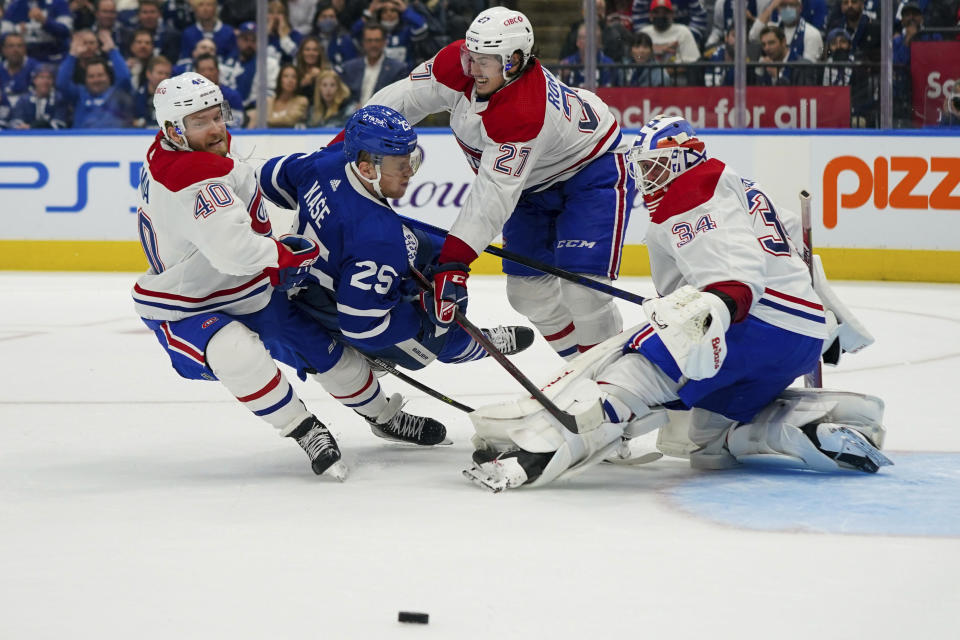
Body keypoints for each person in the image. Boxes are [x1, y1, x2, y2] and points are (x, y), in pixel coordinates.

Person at [463, 114, 889, 492]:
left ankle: (536, 452)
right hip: (802, 334)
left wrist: (716, 305)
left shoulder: (693, 189)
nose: (648, 178)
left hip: (748, 323)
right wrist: (834, 325)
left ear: (685, 158)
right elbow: (798, 248)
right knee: (703, 440)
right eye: (644, 168)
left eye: (657, 167)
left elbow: (737, 276)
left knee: (630, 373)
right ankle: (803, 430)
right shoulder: (742, 185)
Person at [133, 72, 451, 480]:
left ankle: (383, 416)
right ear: (174, 129)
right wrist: (282, 255)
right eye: (201, 122)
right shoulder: (194, 180)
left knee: (331, 356)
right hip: (187, 304)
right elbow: (235, 251)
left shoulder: (171, 150)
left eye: (218, 115)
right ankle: (304, 429)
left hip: (246, 288)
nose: (215, 128)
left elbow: (239, 198)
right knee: (238, 354)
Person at [362, 7, 635, 360]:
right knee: (527, 294)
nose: (471, 68)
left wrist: (453, 262)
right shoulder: (457, 65)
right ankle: (583, 371)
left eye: (484, 61)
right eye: (470, 55)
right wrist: (349, 144)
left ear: (514, 61)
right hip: (532, 186)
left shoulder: (524, 109)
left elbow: (492, 194)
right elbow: (402, 100)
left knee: (585, 291)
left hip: (591, 170)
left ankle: (613, 384)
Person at [254, 105, 535, 383]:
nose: (409, 172)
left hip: (337, 265)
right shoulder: (377, 238)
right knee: (431, 336)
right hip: (326, 301)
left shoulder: (328, 160)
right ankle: (460, 346)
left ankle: (455, 328)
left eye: (409, 160)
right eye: (398, 165)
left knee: (442, 252)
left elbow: (266, 179)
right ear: (366, 168)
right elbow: (361, 326)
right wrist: (426, 317)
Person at [56, 30, 134, 127]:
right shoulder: (79, 94)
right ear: (86, 79)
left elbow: (124, 78)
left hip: (112, 140)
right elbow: (62, 84)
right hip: (81, 140)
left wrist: (112, 50)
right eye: (91, 76)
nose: (96, 80)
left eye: (100, 75)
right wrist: (72, 55)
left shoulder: (117, 93)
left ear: (108, 77)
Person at [337, 22, 407, 105]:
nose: (373, 44)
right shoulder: (349, 68)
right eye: (369, 40)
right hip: (352, 115)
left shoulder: (397, 69)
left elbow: (398, 100)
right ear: (363, 42)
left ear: (384, 42)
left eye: (377, 40)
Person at [749, 0, 824, 62]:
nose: (788, 9)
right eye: (783, 5)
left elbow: (807, 69)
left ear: (800, 8)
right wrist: (771, 7)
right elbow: (753, 36)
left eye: (792, 5)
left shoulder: (812, 33)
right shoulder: (772, 28)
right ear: (778, 8)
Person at [246, 63, 308, 128]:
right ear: (280, 80)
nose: (290, 80)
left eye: (294, 77)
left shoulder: (302, 101)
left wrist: (264, 120)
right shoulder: (268, 101)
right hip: (266, 136)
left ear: (297, 81)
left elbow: (289, 120)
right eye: (286, 76)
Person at [639, 0, 701, 64]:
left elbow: (692, 62)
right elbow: (636, 58)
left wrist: (664, 71)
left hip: (677, 73)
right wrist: (651, 52)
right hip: (648, 73)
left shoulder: (683, 31)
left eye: (665, 12)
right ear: (650, 15)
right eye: (656, 12)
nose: (660, 16)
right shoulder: (643, 33)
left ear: (672, 15)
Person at [559, 24, 617, 89]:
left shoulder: (608, 64)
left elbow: (611, 91)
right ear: (577, 42)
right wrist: (563, 77)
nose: (590, 42)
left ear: (599, 42)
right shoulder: (567, 63)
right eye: (585, 38)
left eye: (594, 38)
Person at [1, 33, 40, 105]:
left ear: (25, 49)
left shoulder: (37, 68)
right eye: (11, 46)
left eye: (19, 46)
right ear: (3, 50)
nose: (15, 50)